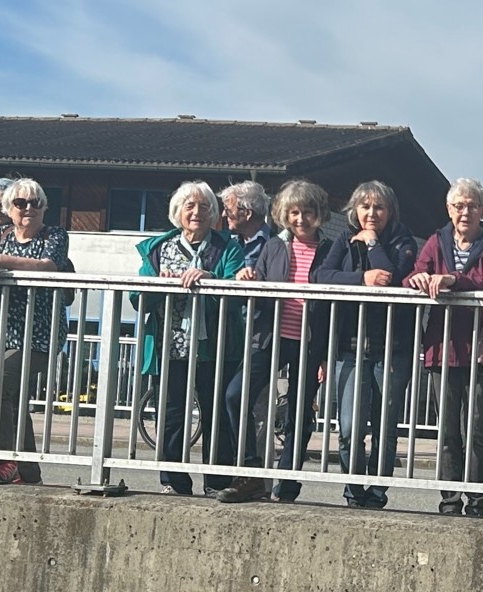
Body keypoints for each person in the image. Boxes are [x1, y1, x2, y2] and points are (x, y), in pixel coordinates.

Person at [0, 177, 72, 486]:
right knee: (13, 402)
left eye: (36, 202)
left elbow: (48, 265)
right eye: (20, 203)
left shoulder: (55, 235)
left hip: (39, 336)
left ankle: (4, 459)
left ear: (45, 207)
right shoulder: (2, 234)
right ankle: (29, 473)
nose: (28, 208)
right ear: (9, 208)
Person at [312, 180, 420, 508]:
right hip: (349, 347)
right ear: (355, 210)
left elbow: (391, 276)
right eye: (365, 206)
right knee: (349, 427)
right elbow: (322, 275)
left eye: (379, 207)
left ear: (390, 211)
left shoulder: (403, 240)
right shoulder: (344, 239)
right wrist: (361, 279)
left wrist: (372, 243)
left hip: (392, 349)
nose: (372, 213)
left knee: (385, 427)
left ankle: (377, 492)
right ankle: (353, 489)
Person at [409, 179, 483, 516]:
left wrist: (453, 279)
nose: (465, 212)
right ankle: (450, 501)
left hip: (481, 351)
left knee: (477, 429)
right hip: (442, 348)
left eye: (472, 205)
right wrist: (418, 279)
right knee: (448, 432)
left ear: (482, 210)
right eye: (459, 206)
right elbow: (416, 273)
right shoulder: (435, 240)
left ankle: (479, 501)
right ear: (449, 209)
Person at [135, 182, 245, 496]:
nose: (197, 212)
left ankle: (217, 482)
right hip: (169, 346)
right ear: (177, 212)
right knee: (171, 415)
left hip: (217, 346)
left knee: (217, 414)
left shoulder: (227, 247)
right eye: (190, 206)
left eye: (204, 207)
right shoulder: (158, 249)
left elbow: (237, 292)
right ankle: (174, 481)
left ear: (214, 213)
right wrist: (159, 285)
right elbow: (137, 296)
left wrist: (211, 280)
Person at [257, 179, 335, 503]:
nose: (301, 219)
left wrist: (325, 354)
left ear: (319, 214)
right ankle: (250, 473)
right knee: (238, 396)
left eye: (307, 212)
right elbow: (260, 284)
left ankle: (286, 484)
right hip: (272, 338)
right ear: (284, 214)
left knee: (299, 414)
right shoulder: (274, 246)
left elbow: (334, 306)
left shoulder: (330, 249)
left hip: (310, 343)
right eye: (294, 212)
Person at [215, 180, 281, 502]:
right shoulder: (229, 244)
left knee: (256, 407)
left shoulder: (274, 244)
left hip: (261, 337)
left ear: (247, 211)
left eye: (228, 209)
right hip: (232, 336)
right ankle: (244, 474)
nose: (224, 215)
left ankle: (257, 479)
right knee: (234, 401)